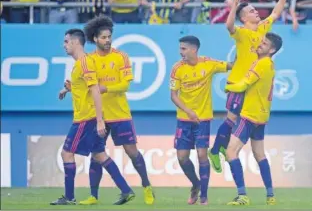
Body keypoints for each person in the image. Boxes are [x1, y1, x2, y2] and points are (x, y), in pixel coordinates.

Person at [209, 0, 292, 173]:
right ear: (244, 18)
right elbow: (228, 26)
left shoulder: (262, 28)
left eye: (255, 9)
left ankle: (220, 148)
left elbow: (276, 13)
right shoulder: (242, 33)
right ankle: (214, 150)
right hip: (237, 82)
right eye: (252, 11)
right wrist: (235, 4)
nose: (256, 12)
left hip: (250, 84)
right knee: (231, 119)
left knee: (238, 120)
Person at [77, 16, 154, 205]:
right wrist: (68, 86)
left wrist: (105, 88)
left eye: (109, 36)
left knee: (132, 151)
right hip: (98, 115)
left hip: (120, 114)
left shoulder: (121, 56)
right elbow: (82, 83)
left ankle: (147, 186)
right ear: (94, 39)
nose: (107, 40)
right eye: (103, 37)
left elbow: (125, 85)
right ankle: (93, 196)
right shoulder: (88, 60)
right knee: (96, 154)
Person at [52, 29, 135, 206]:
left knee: (66, 153)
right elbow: (84, 88)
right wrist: (68, 89)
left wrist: (98, 120)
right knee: (99, 155)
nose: (64, 45)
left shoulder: (84, 63)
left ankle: (69, 197)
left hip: (85, 118)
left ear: (75, 43)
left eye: (66, 42)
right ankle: (126, 190)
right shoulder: (83, 63)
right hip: (89, 117)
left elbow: (95, 90)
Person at [170, 36, 232, 205]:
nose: (180, 52)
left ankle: (204, 195)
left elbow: (231, 66)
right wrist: (188, 111)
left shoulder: (208, 63)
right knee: (182, 157)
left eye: (183, 48)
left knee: (202, 154)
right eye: (180, 48)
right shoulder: (177, 69)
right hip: (184, 119)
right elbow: (173, 96)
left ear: (194, 49)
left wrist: (244, 54)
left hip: (203, 119)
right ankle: (196, 184)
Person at [225, 32, 283, 206]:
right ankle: (270, 195)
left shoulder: (262, 64)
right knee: (259, 154)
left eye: (264, 44)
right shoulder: (268, 64)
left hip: (250, 115)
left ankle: (242, 195)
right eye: (261, 41)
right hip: (261, 116)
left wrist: (228, 86)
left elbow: (243, 85)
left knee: (230, 152)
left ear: (271, 50)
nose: (260, 44)